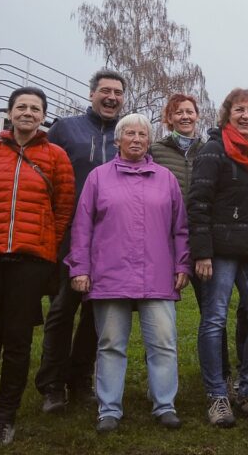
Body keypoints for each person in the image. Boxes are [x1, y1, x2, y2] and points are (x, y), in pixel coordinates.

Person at [0, 87, 75, 449]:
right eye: (21, 107)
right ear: (10, 114)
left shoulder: (56, 157)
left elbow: (63, 209)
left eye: (35, 108)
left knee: (18, 343)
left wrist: (44, 245)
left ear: (43, 117)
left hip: (29, 263)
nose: (27, 113)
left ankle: (5, 417)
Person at [66, 113, 192, 433]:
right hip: (110, 274)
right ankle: (109, 408)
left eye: (142, 135)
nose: (136, 139)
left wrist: (182, 265)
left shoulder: (166, 178)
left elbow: (180, 229)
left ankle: (165, 404)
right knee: (110, 343)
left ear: (149, 141)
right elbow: (82, 228)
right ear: (118, 139)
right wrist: (80, 268)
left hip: (159, 275)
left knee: (163, 342)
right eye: (130, 134)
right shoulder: (98, 177)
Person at [189, 88, 248, 427]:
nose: (246, 116)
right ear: (227, 114)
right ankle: (217, 395)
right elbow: (198, 202)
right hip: (219, 251)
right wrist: (202, 252)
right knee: (214, 321)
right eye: (239, 110)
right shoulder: (213, 151)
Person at [36, 69, 125, 413]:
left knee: (95, 312)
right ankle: (52, 384)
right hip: (69, 233)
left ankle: (80, 378)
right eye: (105, 91)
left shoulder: (126, 135)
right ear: (92, 94)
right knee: (62, 308)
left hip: (109, 239)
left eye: (117, 92)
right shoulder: (65, 129)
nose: (111, 97)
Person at [150, 93, 235, 389]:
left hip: (201, 240)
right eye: (179, 112)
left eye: (190, 111)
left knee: (213, 311)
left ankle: (222, 373)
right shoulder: (155, 151)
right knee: (159, 315)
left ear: (198, 116)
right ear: (169, 118)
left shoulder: (210, 150)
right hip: (164, 242)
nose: (185, 117)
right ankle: (159, 381)